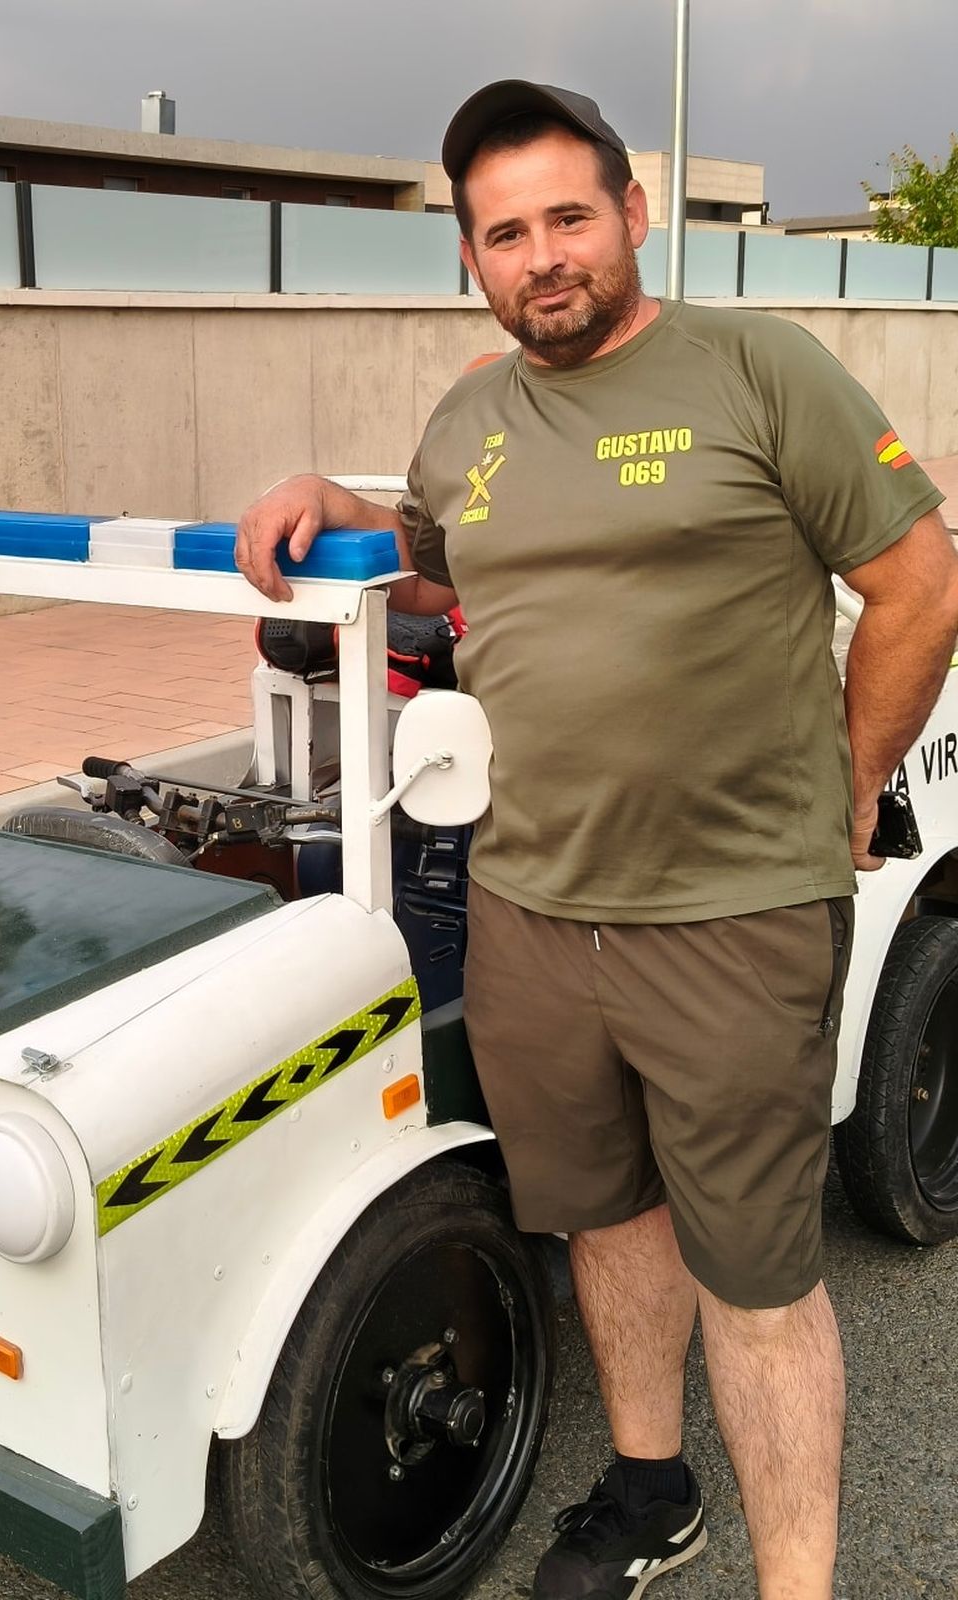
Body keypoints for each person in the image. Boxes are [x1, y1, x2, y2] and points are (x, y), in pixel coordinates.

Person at [236, 80, 958, 1600]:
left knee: (757, 1280)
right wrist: (326, 500)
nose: (543, 256)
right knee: (609, 1222)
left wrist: (849, 785)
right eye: (506, 234)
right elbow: (444, 578)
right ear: (471, 259)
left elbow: (919, 582)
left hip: (733, 913)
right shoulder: (469, 419)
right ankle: (648, 1494)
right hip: (531, 911)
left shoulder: (758, 367)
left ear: (634, 215)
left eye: (569, 217)